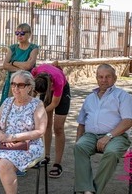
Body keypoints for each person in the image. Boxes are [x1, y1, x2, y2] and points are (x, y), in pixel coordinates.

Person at [0, 70, 47, 194]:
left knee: (5, 163)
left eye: (20, 85)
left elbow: (40, 131)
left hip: (29, 144)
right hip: (5, 142)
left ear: (29, 87)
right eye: (13, 84)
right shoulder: (7, 102)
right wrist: (3, 137)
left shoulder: (37, 104)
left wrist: (12, 137)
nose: (15, 88)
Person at [74, 64, 132, 194]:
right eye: (100, 77)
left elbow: (128, 121)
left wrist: (108, 136)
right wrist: (78, 141)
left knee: (111, 153)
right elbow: (81, 123)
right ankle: (87, 190)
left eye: (108, 77)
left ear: (115, 78)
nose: (104, 80)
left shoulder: (122, 96)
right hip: (90, 136)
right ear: (96, 78)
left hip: (117, 136)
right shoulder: (89, 98)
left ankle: (94, 190)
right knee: (79, 147)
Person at [31, 63, 71, 178]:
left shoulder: (58, 81)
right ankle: (46, 156)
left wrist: (39, 111)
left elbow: (54, 103)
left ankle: (57, 163)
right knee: (46, 124)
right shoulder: (35, 72)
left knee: (58, 127)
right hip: (46, 87)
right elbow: (33, 93)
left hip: (62, 92)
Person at [0, 23, 39, 108]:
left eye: (22, 33)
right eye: (17, 33)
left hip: (26, 83)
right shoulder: (12, 48)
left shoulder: (33, 48)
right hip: (12, 81)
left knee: (25, 107)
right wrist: (22, 69)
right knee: (9, 107)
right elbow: (5, 65)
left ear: (29, 34)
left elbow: (28, 66)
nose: (19, 35)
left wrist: (13, 62)